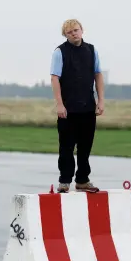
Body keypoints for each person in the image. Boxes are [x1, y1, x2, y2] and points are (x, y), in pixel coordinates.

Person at [50, 19, 105, 193]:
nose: (74, 33)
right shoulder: (60, 52)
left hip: (88, 107)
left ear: (82, 30)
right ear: (65, 35)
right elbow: (55, 78)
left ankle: (82, 180)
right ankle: (64, 181)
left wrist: (101, 101)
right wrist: (59, 104)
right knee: (66, 146)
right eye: (70, 32)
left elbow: (98, 74)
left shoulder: (92, 50)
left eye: (76, 30)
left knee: (85, 146)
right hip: (68, 108)